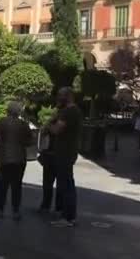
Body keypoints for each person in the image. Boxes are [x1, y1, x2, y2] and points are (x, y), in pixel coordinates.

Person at [0, 101, 32, 221]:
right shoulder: (24, 124)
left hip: (4, 157)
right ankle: (15, 211)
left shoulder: (2, 122)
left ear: (8, 111)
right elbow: (30, 142)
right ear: (18, 112)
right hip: (19, 159)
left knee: (3, 184)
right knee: (17, 185)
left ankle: (0, 210)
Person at [47, 87, 82, 227]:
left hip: (65, 152)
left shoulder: (68, 112)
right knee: (67, 183)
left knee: (66, 184)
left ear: (68, 96)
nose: (58, 98)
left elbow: (56, 130)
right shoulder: (75, 111)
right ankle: (68, 215)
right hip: (69, 151)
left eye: (61, 96)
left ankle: (68, 217)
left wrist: (49, 123)